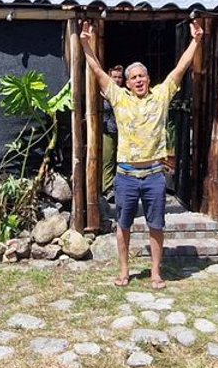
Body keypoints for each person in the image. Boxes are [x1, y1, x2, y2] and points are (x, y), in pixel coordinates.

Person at [81, 19, 203, 288]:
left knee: (156, 225)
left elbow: (180, 69)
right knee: (123, 225)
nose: (138, 80)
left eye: (142, 76)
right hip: (125, 176)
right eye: (134, 77)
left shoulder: (160, 96)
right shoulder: (119, 98)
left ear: (148, 79)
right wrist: (86, 44)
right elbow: (97, 71)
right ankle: (124, 271)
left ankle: (156, 272)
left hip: (154, 177)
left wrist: (195, 41)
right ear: (127, 83)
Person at [100, 63, 124, 196]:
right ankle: (108, 188)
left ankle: (120, 187)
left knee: (121, 160)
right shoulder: (102, 92)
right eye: (115, 77)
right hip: (107, 131)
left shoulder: (124, 93)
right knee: (108, 160)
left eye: (120, 77)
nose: (117, 80)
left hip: (122, 132)